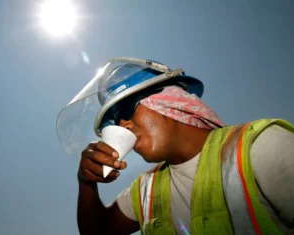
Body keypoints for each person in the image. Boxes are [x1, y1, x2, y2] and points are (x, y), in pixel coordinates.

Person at [58, 57, 294, 234]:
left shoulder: (260, 146)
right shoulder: (146, 189)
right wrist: (86, 181)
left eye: (127, 110)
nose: (123, 126)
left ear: (167, 99)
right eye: (116, 120)